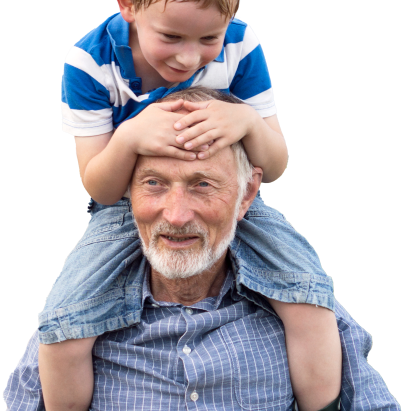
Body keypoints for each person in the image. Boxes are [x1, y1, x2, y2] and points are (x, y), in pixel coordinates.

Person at [37, 0, 342, 410]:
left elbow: (278, 163)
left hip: (231, 197)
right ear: (127, 3)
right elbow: (98, 184)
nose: (188, 57)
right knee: (67, 318)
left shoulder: (241, 49)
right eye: (171, 36)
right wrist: (131, 139)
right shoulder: (89, 64)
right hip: (124, 206)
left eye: (208, 38)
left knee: (308, 292)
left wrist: (246, 120)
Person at [3, 88, 400, 410]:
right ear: (126, 192)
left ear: (247, 194)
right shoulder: (70, 320)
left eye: (203, 185)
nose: (175, 216)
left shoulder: (308, 310)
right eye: (154, 183)